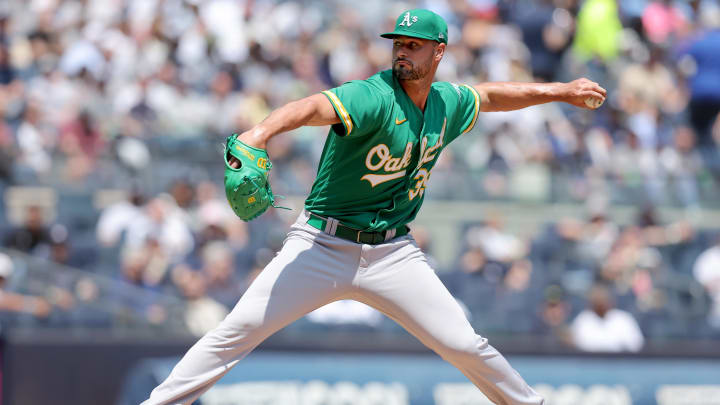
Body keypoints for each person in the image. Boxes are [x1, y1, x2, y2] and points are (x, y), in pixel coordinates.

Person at [144, 9, 606, 405]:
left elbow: (489, 96)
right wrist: (260, 133)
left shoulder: (446, 102)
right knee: (236, 331)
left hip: (392, 254)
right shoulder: (372, 96)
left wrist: (561, 90)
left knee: (464, 343)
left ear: (438, 52)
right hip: (322, 244)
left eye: (414, 45)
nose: (402, 51)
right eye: (398, 43)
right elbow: (309, 107)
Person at [570, 284, 645, 352]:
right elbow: (577, 345)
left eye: (603, 299)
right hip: (590, 364)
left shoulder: (624, 319)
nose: (601, 303)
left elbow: (636, 345)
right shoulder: (583, 319)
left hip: (619, 364)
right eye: (597, 300)